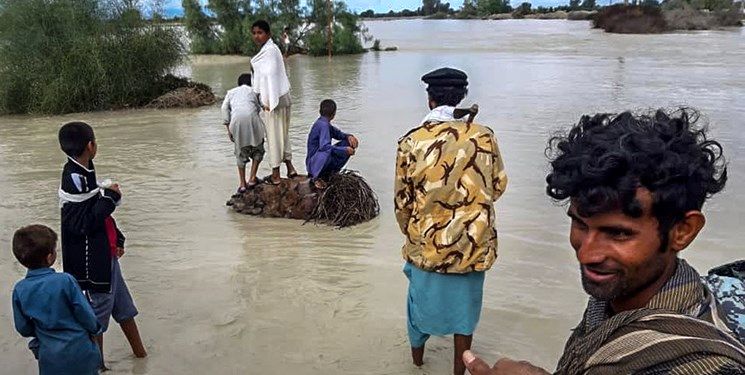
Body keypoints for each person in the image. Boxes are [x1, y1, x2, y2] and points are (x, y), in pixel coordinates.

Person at [462, 109, 745, 375]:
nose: (587, 254)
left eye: (618, 233)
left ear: (683, 230)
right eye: (580, 224)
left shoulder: (699, 363)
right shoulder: (618, 293)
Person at [394, 67, 508, 375]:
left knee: (418, 309)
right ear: (462, 96)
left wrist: (416, 233)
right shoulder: (484, 136)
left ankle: (417, 364)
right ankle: (460, 371)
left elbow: (402, 202)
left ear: (430, 100)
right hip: (473, 245)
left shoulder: (411, 142)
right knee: (465, 314)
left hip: (427, 245)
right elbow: (497, 187)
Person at [58, 121, 147, 369]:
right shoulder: (73, 179)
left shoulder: (85, 172)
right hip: (92, 263)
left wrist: (116, 238)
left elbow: (97, 213)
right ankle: (96, 366)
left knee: (124, 309)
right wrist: (111, 196)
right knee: (96, 318)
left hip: (105, 255)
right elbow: (83, 222)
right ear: (91, 145)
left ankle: (142, 357)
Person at [11, 224, 102, 375]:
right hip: (81, 352)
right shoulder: (65, 280)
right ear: (50, 257)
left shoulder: (20, 289)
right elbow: (84, 313)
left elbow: (23, 328)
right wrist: (95, 329)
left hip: (50, 357)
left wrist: (41, 331)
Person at [250, 19, 298, 185]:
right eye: (254, 33)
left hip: (274, 100)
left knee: (274, 136)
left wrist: (268, 99)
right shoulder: (272, 49)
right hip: (283, 95)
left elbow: (269, 74)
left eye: (260, 33)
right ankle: (290, 168)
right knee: (283, 134)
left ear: (268, 34)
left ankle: (276, 174)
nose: (257, 36)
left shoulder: (269, 51)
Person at [222, 73, 266, 193]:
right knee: (258, 149)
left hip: (236, 122)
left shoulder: (231, 92)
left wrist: (228, 128)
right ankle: (252, 178)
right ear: (251, 82)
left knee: (240, 152)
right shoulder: (254, 91)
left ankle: (242, 184)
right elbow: (264, 104)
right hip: (253, 120)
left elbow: (224, 109)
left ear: (239, 83)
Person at [306, 99, 359, 189]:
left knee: (348, 143)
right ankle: (316, 177)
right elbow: (324, 147)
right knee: (330, 150)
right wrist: (344, 150)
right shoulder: (323, 125)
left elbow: (338, 134)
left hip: (316, 161)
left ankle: (328, 173)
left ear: (320, 111)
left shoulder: (324, 124)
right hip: (314, 164)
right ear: (333, 115)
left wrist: (349, 136)